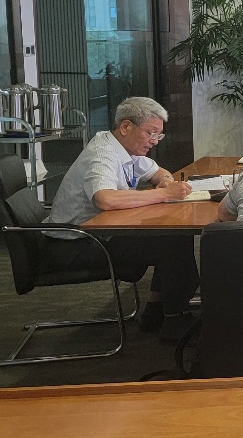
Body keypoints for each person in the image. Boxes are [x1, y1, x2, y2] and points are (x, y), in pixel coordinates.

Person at [44, 96, 199, 339]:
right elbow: (105, 199)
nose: (154, 141)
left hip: (97, 234)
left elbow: (158, 172)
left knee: (175, 234)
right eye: (151, 133)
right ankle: (175, 322)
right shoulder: (103, 154)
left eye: (158, 136)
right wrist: (163, 195)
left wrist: (166, 182)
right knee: (173, 242)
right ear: (126, 126)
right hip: (77, 243)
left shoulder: (126, 149)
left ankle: (157, 311)